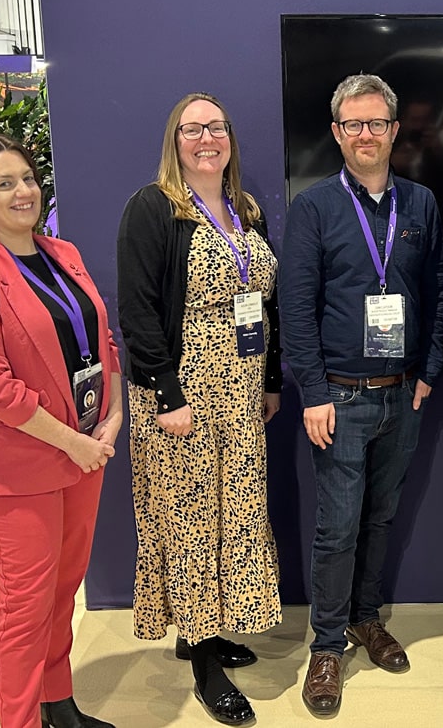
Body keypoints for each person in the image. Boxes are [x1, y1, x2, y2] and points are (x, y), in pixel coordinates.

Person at [0, 134, 121, 728]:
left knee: (63, 591)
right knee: (25, 606)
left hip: (84, 454)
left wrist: (112, 418)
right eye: (4, 183)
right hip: (21, 467)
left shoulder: (62, 252)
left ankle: (57, 704)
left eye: (27, 178)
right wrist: (74, 440)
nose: (24, 192)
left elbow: (102, 343)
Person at [280, 73, 443, 717]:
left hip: (404, 395)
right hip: (339, 401)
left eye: (377, 123)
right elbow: (296, 306)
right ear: (337, 133)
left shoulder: (421, 205)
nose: (366, 134)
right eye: (354, 124)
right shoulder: (314, 208)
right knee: (336, 528)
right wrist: (313, 391)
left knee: (380, 518)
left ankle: (366, 619)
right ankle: (326, 645)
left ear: (395, 130)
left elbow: (437, 293)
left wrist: (430, 368)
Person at [117, 93, 283, 726]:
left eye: (217, 127)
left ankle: (210, 628)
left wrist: (268, 378)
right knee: (190, 524)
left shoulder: (245, 210)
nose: (206, 138)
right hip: (182, 395)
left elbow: (262, 306)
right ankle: (203, 659)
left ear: (231, 139)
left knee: (232, 518)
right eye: (193, 129)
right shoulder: (154, 209)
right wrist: (166, 395)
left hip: (240, 397)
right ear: (175, 140)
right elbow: (136, 308)